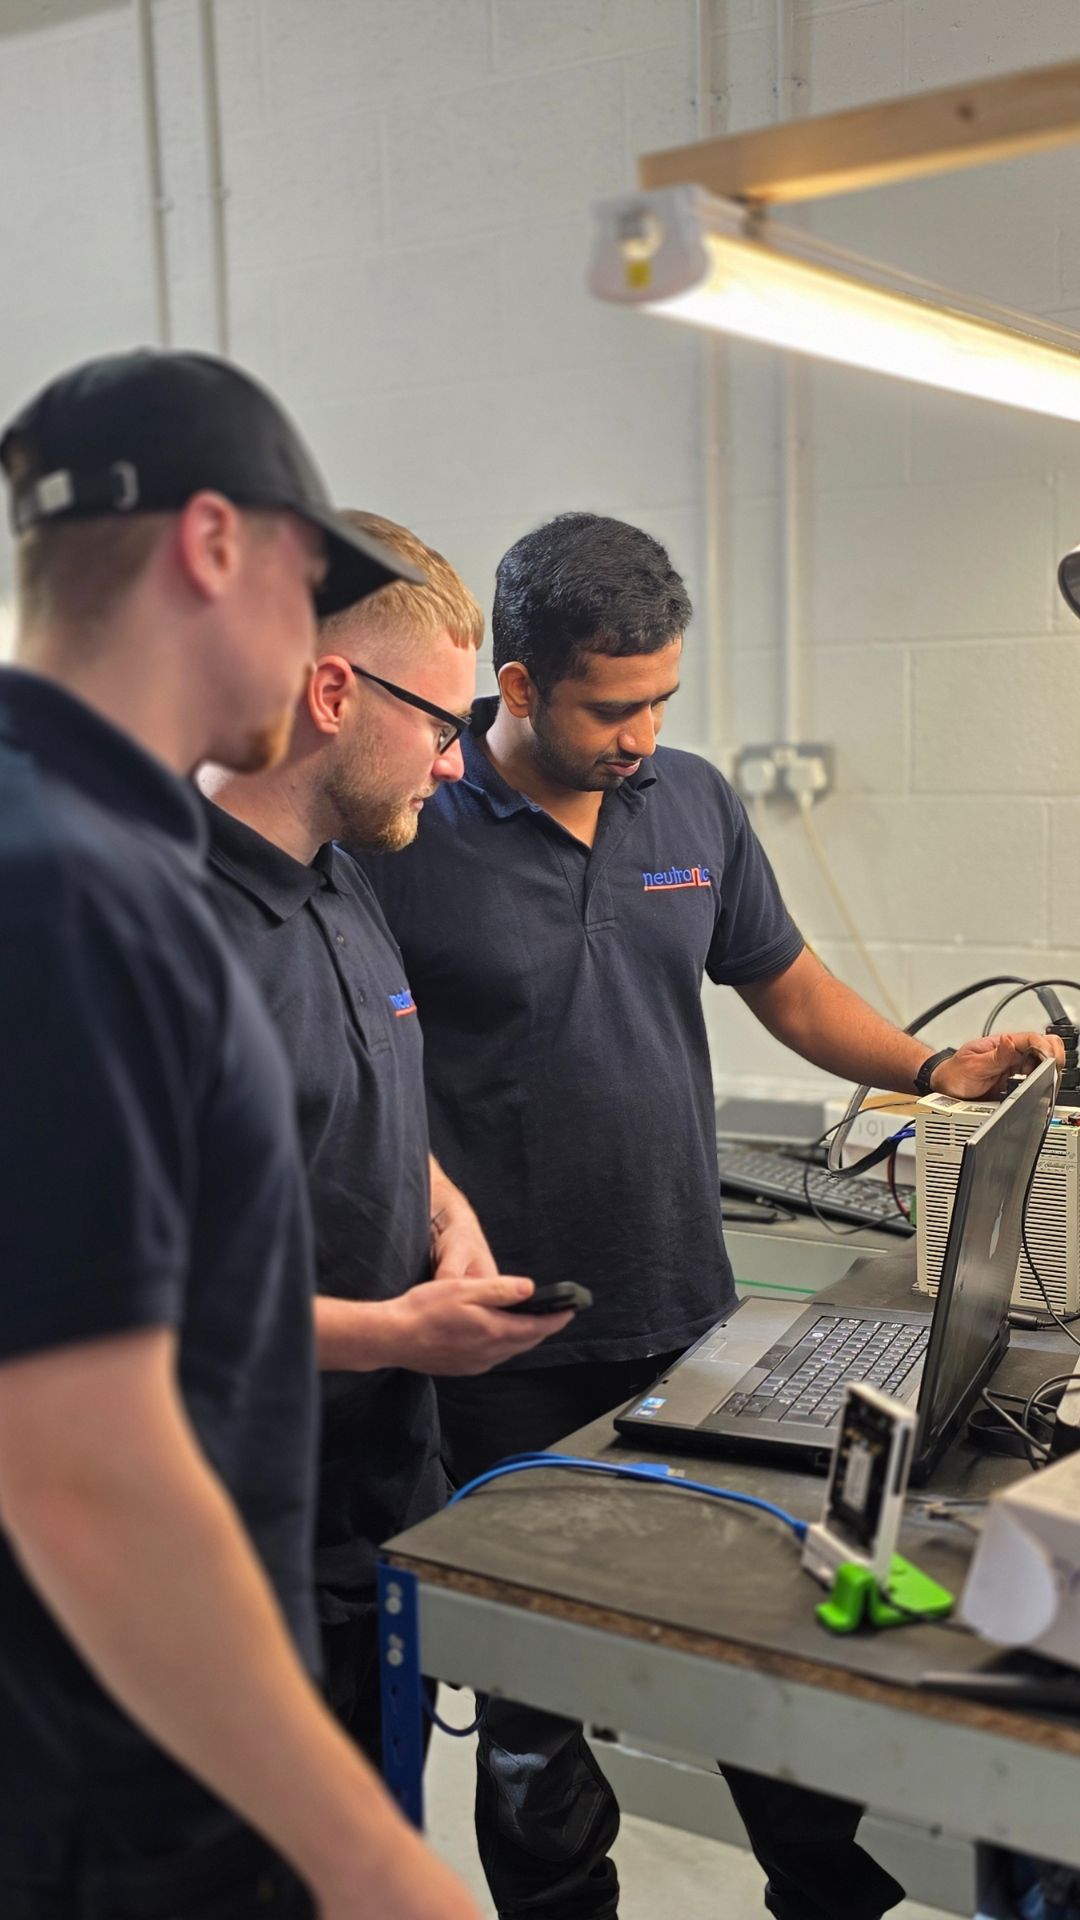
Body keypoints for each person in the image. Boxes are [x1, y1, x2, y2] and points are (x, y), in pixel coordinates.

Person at [355, 510, 1061, 1920]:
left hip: (686, 1307)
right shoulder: (407, 825)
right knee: (534, 1707)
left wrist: (932, 1068)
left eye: (663, 699)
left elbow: (785, 983)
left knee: (764, 1645)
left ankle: (825, 1897)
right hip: (505, 1345)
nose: (642, 735)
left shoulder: (689, 802)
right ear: (515, 685)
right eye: (611, 708)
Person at [0, 350, 486, 1920]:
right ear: (215, 546)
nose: (311, 640)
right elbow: (80, 1465)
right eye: (309, 584)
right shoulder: (71, 885)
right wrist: (365, 1855)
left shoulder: (80, 846)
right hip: (121, 1776)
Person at [202, 508, 571, 1765]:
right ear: (330, 694)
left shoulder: (341, 875)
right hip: (228, 1568)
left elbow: (354, 1102)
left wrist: (442, 1209)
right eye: (442, 724)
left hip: (372, 1516)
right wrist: (397, 1333)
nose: (458, 765)